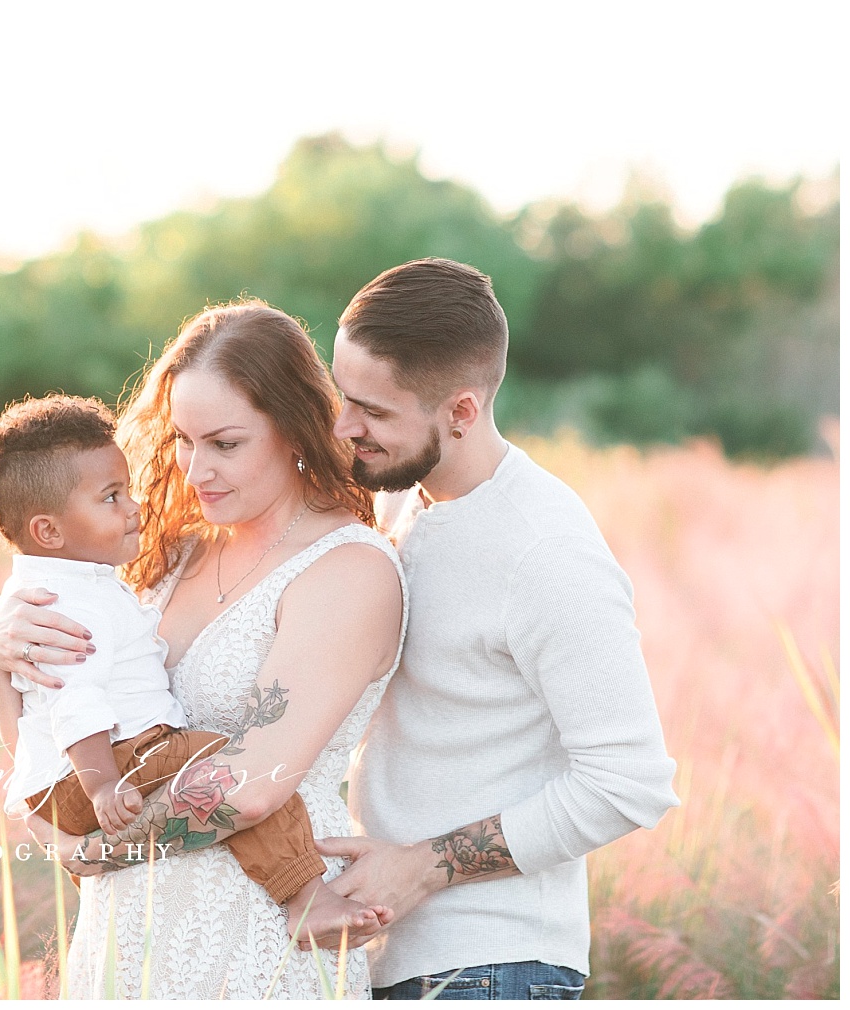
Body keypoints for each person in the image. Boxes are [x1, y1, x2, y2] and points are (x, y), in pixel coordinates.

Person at [0, 301, 407, 998]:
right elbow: (53, 727)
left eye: (225, 444)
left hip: (258, 935)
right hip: (125, 934)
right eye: (182, 438)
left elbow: (254, 783)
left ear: (294, 428)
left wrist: (87, 850)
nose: (196, 468)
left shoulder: (347, 571)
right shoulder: (167, 558)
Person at [307, 258, 680, 999]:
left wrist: (423, 865)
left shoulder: (546, 551)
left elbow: (632, 783)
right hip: (390, 957)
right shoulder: (402, 503)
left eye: (374, 411)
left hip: (495, 967)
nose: (346, 428)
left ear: (462, 411)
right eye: (343, 397)